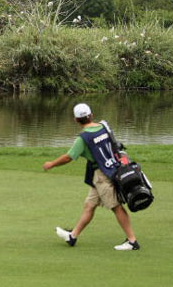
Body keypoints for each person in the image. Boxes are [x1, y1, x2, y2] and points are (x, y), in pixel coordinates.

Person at [42, 103, 139, 251]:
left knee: (116, 207)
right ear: (91, 115)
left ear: (76, 120)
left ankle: (132, 241)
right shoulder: (103, 126)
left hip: (103, 176)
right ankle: (72, 236)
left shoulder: (83, 138)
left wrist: (51, 164)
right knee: (89, 205)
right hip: (112, 169)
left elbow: (69, 157)